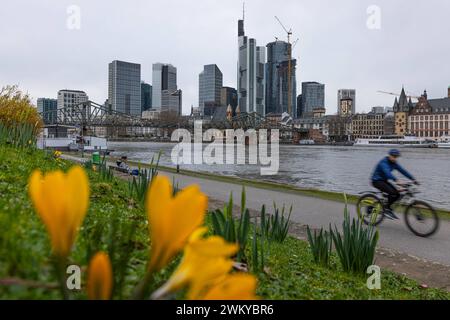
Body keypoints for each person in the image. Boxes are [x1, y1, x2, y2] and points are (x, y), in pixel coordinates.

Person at [371, 149, 419, 220]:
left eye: (396, 157)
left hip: (384, 181)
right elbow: (387, 173)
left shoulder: (394, 163)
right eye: (393, 156)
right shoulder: (383, 162)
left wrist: (413, 179)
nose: (395, 158)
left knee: (397, 194)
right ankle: (387, 209)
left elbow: (403, 171)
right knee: (392, 193)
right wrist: (397, 180)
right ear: (389, 155)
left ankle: (387, 207)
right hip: (376, 181)